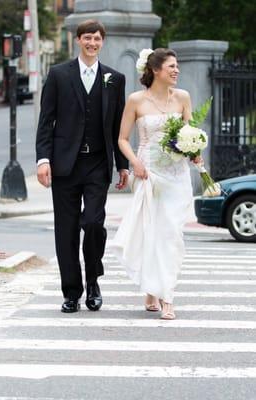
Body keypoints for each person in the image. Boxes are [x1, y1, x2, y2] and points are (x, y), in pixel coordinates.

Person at [36, 19, 129, 313]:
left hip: (98, 163)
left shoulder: (115, 78)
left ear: (103, 42)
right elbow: (46, 120)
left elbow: (117, 127)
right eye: (87, 38)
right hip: (65, 164)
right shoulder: (59, 74)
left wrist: (123, 165)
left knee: (92, 223)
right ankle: (71, 292)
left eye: (97, 39)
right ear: (78, 40)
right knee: (66, 230)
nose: (92, 43)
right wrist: (43, 159)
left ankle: (93, 282)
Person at [111, 48, 196, 320]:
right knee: (152, 232)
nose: (176, 70)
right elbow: (122, 138)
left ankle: (166, 294)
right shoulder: (136, 100)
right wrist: (134, 162)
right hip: (148, 173)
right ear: (156, 70)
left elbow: (190, 132)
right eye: (171, 66)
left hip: (177, 175)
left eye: (177, 65)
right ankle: (154, 289)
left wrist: (195, 150)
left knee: (171, 234)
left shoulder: (183, 97)